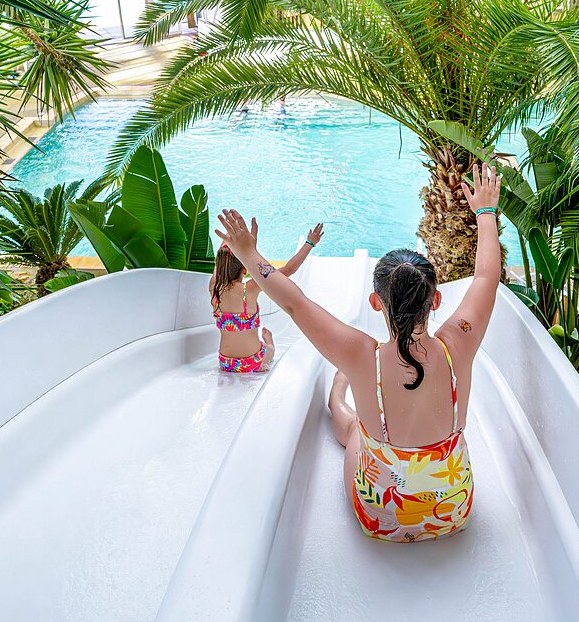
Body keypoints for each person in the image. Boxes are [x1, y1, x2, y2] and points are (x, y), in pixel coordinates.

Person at [214, 165, 502, 541]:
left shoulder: (363, 357)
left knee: (355, 430)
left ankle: (337, 395)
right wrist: (484, 213)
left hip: (384, 516)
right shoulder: (458, 343)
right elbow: (486, 277)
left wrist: (248, 253)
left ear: (376, 303)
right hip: (454, 508)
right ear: (436, 301)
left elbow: (295, 304)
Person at [210, 221, 325, 373]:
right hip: (253, 362)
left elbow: (220, 261)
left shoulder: (214, 288)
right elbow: (289, 269)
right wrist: (310, 243)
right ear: (246, 269)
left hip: (226, 363)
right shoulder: (250, 288)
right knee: (269, 350)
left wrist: (229, 235)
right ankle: (269, 343)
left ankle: (266, 344)